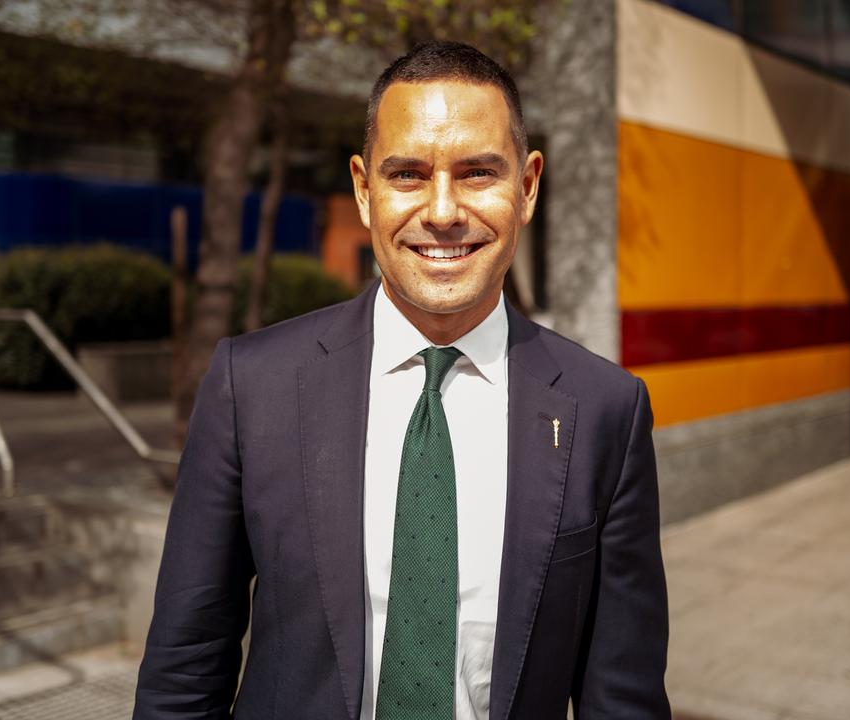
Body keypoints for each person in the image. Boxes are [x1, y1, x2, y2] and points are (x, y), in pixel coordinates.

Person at [134, 41, 669, 720]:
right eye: (408, 174)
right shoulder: (253, 386)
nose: (443, 211)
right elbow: (185, 669)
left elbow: (622, 699)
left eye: (477, 172)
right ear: (364, 189)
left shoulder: (605, 410)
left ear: (527, 187)